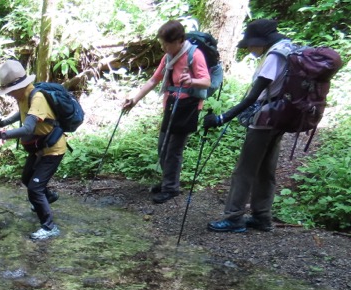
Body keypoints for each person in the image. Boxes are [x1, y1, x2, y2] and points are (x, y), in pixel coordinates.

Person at [203, 19, 290, 233]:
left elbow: (252, 98)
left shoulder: (273, 57)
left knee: (245, 169)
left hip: (265, 119)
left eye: (251, 44)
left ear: (262, 41)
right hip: (281, 116)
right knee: (265, 168)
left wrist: (222, 118)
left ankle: (234, 217)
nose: (250, 49)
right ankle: (262, 217)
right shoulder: (289, 48)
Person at [122, 20, 211, 204]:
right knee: (162, 146)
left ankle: (171, 188)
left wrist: (191, 81)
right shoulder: (168, 57)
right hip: (171, 104)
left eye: (166, 43)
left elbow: (206, 81)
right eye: (162, 43)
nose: (163, 47)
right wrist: (134, 100)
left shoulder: (195, 55)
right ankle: (167, 181)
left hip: (188, 107)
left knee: (173, 150)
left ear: (179, 40)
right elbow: (154, 81)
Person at [0, 60, 66, 240]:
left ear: (19, 86)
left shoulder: (37, 98)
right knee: (26, 178)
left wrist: (1, 134)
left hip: (52, 149)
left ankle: (49, 227)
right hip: (39, 147)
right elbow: (22, 114)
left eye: (10, 91)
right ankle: (48, 197)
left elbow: (28, 128)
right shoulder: (25, 96)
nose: (10, 95)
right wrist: (3, 122)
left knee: (35, 189)